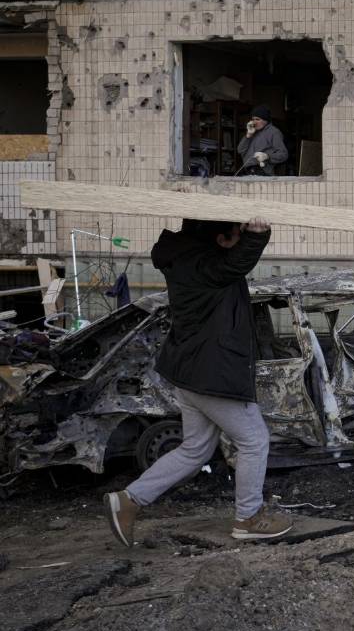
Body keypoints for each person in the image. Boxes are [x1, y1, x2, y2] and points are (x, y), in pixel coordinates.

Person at [104, 217, 293, 545]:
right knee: (254, 440)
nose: (239, 237)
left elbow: (232, 264)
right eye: (235, 233)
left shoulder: (187, 258)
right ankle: (248, 517)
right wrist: (257, 235)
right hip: (213, 374)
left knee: (195, 449)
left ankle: (128, 500)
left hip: (192, 374)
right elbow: (236, 264)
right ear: (220, 240)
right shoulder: (207, 267)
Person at [236, 105, 288, 176]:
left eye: (257, 119)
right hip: (247, 171)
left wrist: (267, 156)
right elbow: (240, 150)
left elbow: (284, 154)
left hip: (263, 172)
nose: (254, 122)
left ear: (266, 120)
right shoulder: (253, 131)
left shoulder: (274, 132)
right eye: (253, 119)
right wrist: (248, 135)